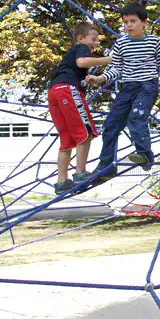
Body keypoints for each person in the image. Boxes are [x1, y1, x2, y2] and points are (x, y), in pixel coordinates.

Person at [87, 2, 160, 180]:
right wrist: (100, 79)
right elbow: (117, 69)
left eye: (133, 21)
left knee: (136, 117)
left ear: (144, 22)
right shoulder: (121, 43)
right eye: (125, 22)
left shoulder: (153, 41)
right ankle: (106, 166)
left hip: (147, 86)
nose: (128, 25)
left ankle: (145, 156)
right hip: (127, 88)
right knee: (110, 125)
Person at [47, 21, 111, 194]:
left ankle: (61, 182)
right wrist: (107, 60)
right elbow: (82, 62)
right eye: (93, 39)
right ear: (81, 38)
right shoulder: (81, 48)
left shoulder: (69, 56)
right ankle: (80, 173)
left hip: (54, 92)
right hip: (68, 90)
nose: (95, 43)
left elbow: (74, 68)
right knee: (86, 132)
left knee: (66, 140)